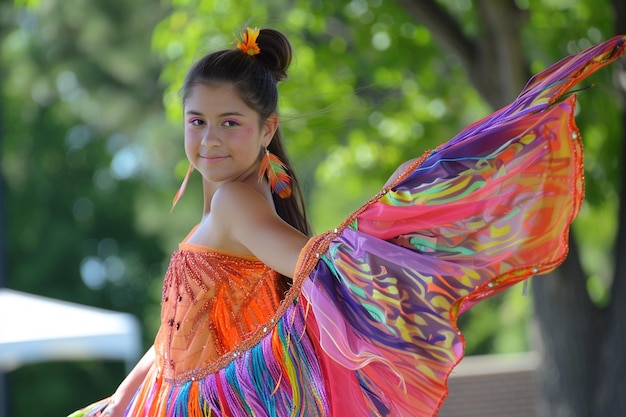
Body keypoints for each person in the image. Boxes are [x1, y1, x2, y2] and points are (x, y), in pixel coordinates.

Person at [69, 28, 626, 417]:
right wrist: (124, 396)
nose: (209, 137)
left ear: (267, 131)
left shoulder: (238, 204)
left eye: (229, 122)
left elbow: (314, 265)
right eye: (197, 121)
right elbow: (176, 334)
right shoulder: (228, 203)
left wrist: (396, 208)